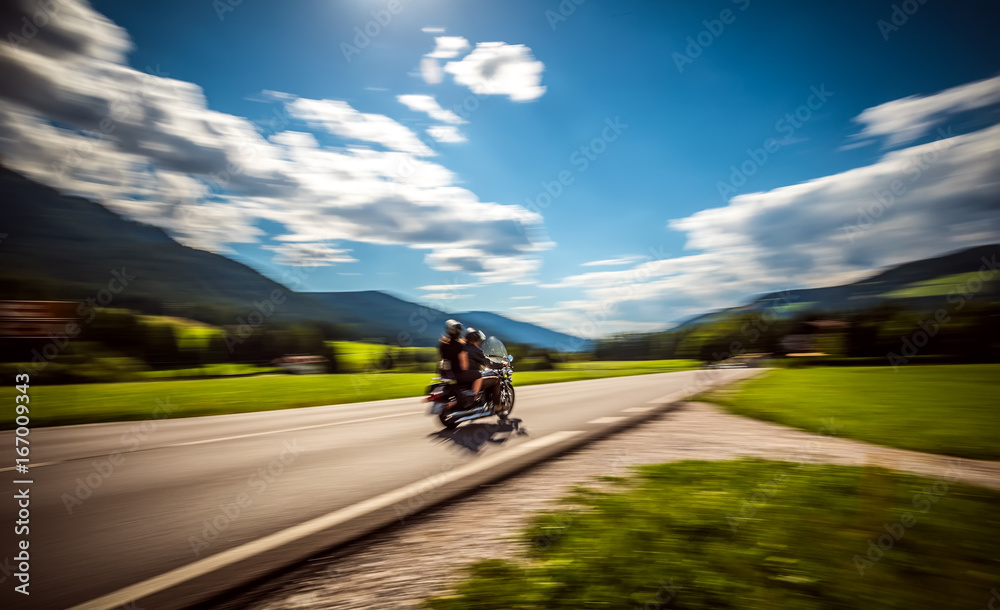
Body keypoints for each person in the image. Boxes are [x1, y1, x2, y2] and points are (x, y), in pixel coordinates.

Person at [462, 328, 503, 408]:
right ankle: (497, 406)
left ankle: (484, 400)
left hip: (462, 378)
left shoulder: (462, 348)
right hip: (472, 380)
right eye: (478, 340)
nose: (479, 342)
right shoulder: (475, 350)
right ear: (475, 340)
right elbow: (488, 363)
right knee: (496, 380)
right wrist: (501, 365)